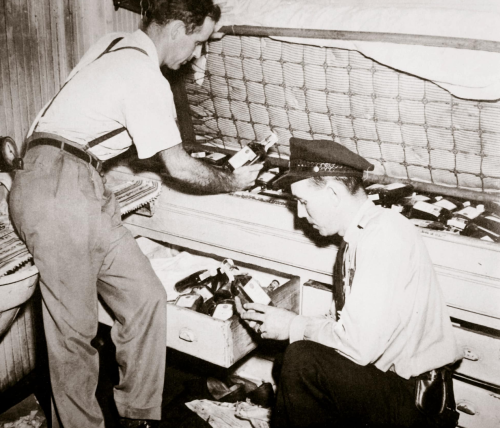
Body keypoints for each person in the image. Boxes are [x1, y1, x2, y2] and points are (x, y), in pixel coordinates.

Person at [9, 1, 262, 427]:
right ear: (180, 28)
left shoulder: (115, 44)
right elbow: (179, 166)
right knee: (74, 336)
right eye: (199, 42)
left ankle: (138, 416)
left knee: (146, 298)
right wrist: (234, 181)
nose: (196, 55)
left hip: (76, 181)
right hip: (58, 185)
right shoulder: (144, 75)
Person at [236, 138, 463, 428]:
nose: (301, 216)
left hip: (417, 401)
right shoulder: (361, 235)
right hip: (388, 379)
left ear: (333, 193)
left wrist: (293, 326)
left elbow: (358, 347)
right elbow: (344, 323)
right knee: (293, 356)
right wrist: (281, 323)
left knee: (302, 361)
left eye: (304, 202)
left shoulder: (383, 237)